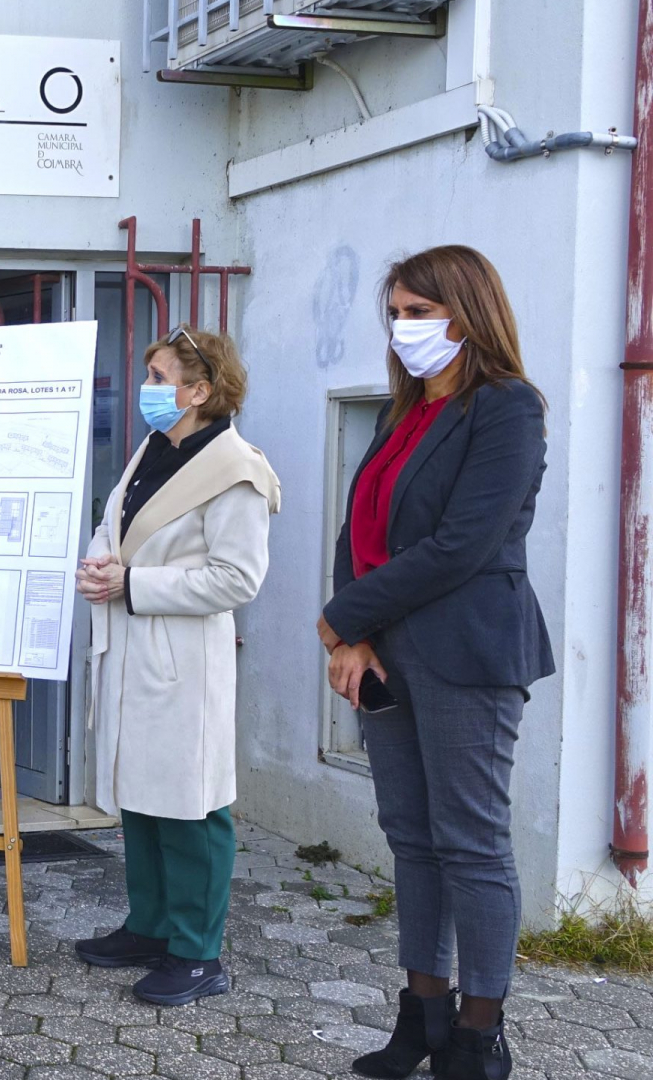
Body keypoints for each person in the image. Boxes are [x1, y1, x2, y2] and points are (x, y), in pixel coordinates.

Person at [323, 246, 551, 1080]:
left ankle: (477, 1037)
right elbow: (359, 531)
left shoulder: (508, 409)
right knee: (412, 841)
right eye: (396, 313)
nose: (404, 327)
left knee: (472, 844)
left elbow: (462, 545)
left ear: (467, 310)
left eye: (420, 311)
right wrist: (352, 639)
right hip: (383, 654)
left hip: (466, 654)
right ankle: (420, 1016)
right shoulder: (401, 410)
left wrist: (341, 616)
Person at [71, 325, 280, 1007]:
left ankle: (197, 953)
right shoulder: (157, 449)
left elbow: (236, 579)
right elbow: (122, 527)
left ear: (201, 391)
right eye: (152, 376)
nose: (150, 390)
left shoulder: (236, 470)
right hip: (134, 647)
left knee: (192, 805)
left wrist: (132, 585)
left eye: (162, 379)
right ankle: (150, 925)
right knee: (142, 794)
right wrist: (104, 562)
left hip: (184, 659)